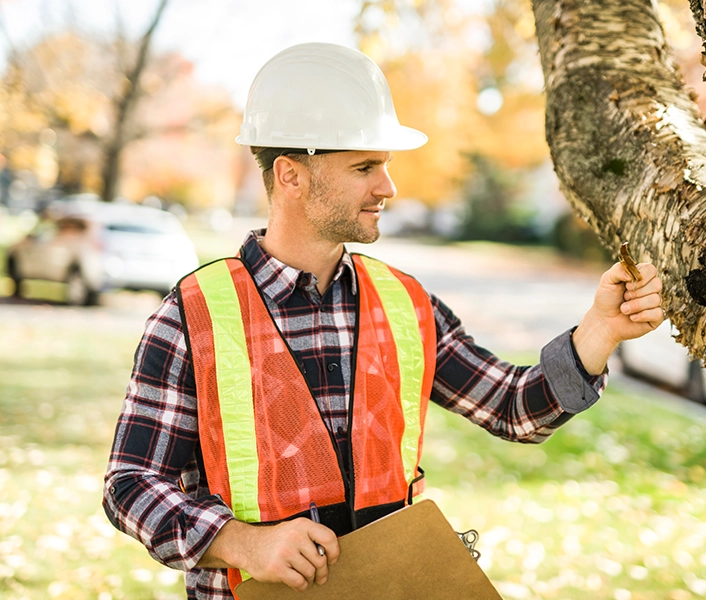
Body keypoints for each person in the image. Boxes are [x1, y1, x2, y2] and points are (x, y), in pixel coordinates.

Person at [103, 43, 664, 600]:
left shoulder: (404, 303)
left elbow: (514, 409)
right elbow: (129, 485)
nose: (387, 188)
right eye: (365, 167)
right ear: (291, 175)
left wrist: (600, 330)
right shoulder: (193, 314)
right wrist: (242, 543)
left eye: (385, 166)